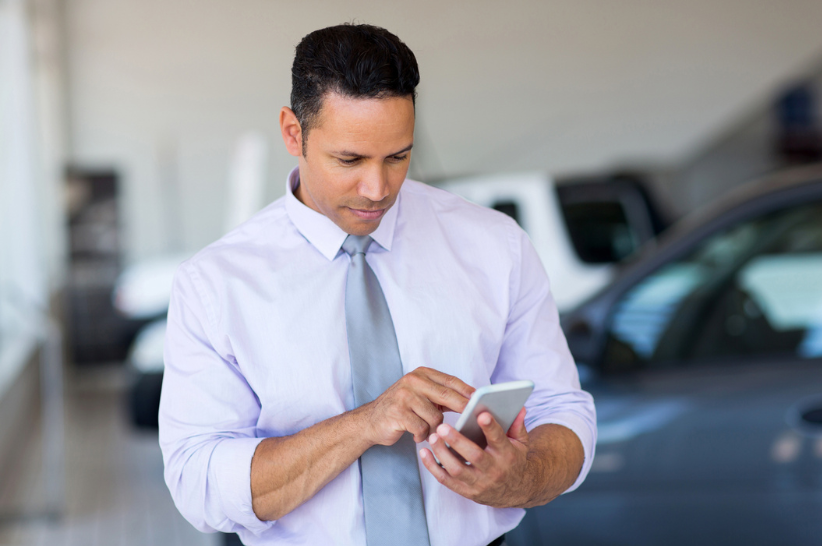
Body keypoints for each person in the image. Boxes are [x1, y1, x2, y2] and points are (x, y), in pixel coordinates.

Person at [159, 23, 596, 546]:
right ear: (293, 133)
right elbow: (199, 484)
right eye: (350, 160)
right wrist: (364, 424)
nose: (377, 189)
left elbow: (562, 413)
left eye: (397, 157)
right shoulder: (215, 284)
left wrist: (522, 477)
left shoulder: (495, 246)